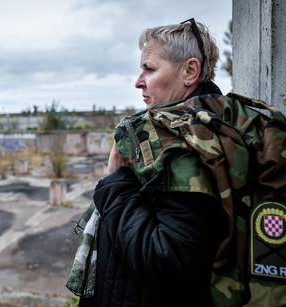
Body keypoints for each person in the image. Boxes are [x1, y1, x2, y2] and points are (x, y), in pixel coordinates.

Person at [76, 19, 226, 306]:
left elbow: (168, 258)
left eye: (150, 68)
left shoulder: (190, 142)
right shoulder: (180, 131)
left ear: (190, 71)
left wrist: (115, 182)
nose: (138, 81)